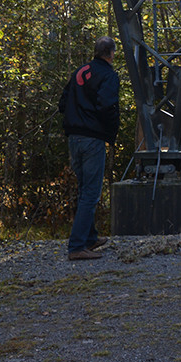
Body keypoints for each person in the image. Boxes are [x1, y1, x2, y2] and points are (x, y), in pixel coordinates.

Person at [59, 36, 120, 260]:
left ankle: (90, 238)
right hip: (92, 139)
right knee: (91, 193)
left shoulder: (80, 71)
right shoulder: (108, 75)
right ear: (111, 53)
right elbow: (107, 105)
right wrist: (111, 131)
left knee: (85, 189)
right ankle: (76, 246)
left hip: (74, 138)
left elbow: (62, 102)